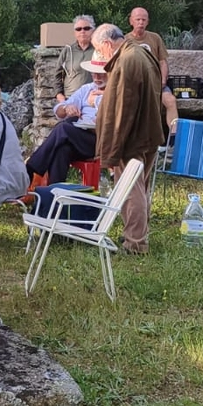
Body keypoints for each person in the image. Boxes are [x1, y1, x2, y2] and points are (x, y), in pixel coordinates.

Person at [92, 23, 165, 255]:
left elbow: (123, 109)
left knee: (131, 190)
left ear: (106, 44)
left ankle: (135, 243)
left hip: (133, 137)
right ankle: (137, 235)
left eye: (99, 50)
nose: (101, 56)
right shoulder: (141, 52)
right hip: (148, 131)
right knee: (139, 188)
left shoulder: (127, 60)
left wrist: (114, 147)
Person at [26, 54, 108, 185]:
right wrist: (67, 107)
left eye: (101, 74)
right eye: (94, 74)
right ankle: (54, 195)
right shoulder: (87, 89)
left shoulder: (116, 92)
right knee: (62, 149)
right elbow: (59, 110)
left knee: (63, 128)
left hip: (101, 141)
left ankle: (31, 168)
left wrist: (98, 102)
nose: (97, 78)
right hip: (80, 138)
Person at [127, 7, 179, 134]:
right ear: (131, 21)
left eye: (143, 20)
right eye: (138, 19)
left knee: (170, 101)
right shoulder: (125, 41)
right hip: (135, 85)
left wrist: (162, 80)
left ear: (148, 22)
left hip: (156, 84)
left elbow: (163, 62)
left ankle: (173, 139)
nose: (141, 22)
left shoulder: (155, 38)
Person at [54, 15, 96, 103]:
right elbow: (57, 75)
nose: (82, 31)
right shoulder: (67, 50)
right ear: (75, 32)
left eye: (86, 28)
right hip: (70, 99)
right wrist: (59, 95)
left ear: (93, 30)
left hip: (93, 98)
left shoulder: (99, 49)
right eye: (78, 29)